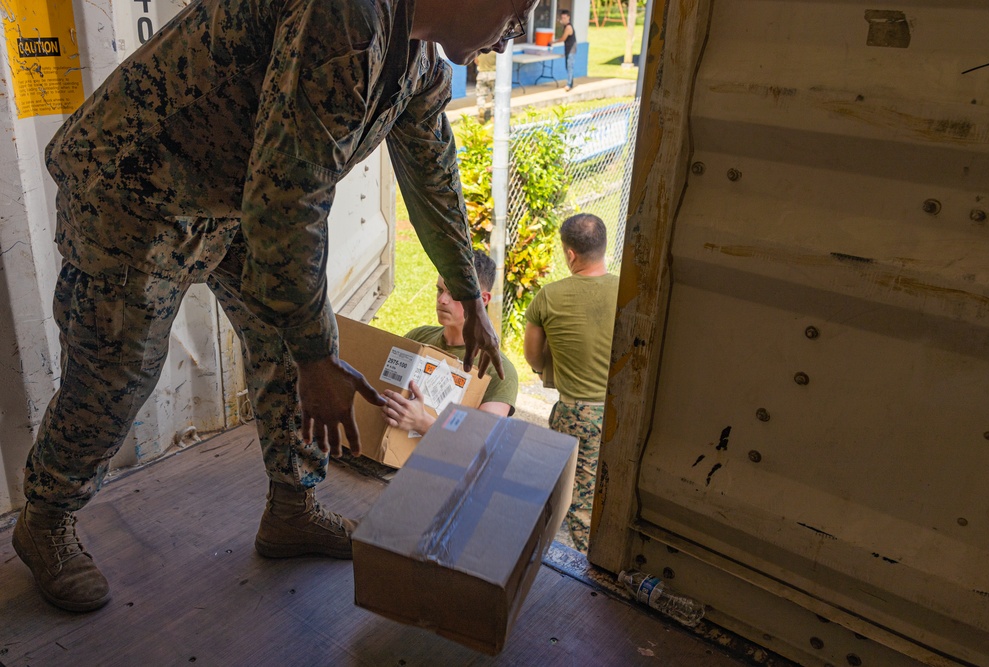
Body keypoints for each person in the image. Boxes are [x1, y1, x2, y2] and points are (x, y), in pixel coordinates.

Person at [13, 0, 538, 613]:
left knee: (294, 341)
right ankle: (46, 519)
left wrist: (465, 287)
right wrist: (314, 355)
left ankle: (293, 507)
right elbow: (289, 202)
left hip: (230, 192)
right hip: (135, 181)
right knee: (120, 369)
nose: (515, 37)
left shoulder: (418, 56)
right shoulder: (345, 17)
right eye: (515, 12)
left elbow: (430, 162)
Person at [523, 214, 619, 553]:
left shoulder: (548, 298)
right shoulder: (628, 291)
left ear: (570, 255)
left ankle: (583, 577)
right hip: (623, 412)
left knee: (578, 500)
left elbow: (533, 357)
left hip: (576, 413)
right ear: (604, 247)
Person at [382, 250, 518, 435]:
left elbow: (478, 440)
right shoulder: (418, 338)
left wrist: (423, 424)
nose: (442, 300)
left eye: (454, 293)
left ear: (483, 300)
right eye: (440, 290)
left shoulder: (499, 372)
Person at [552, 9, 577, 91]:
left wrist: (554, 42)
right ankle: (570, 83)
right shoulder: (565, 26)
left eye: (565, 18)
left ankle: (569, 85)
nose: (563, 19)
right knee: (568, 66)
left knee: (570, 67)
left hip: (571, 50)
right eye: (562, 18)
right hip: (568, 49)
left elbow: (563, 38)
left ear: (568, 17)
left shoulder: (568, 27)